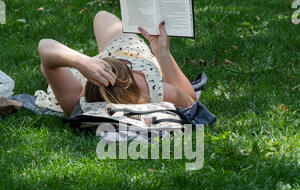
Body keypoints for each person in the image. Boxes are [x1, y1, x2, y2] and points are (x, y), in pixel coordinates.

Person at [36, 10, 197, 117]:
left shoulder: (77, 102)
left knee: (102, 16)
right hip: (132, 51)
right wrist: (162, 53)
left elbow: (45, 48)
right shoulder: (156, 91)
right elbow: (193, 105)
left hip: (107, 55)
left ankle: (81, 64)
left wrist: (82, 62)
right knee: (103, 17)